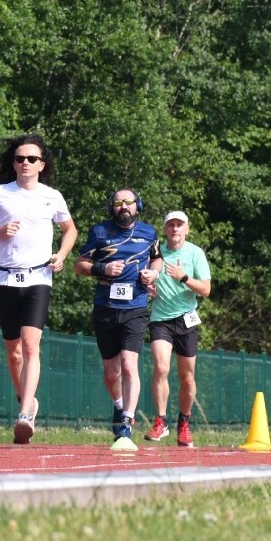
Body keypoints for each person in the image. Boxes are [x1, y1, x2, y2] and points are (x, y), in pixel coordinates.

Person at [0, 134, 78, 445]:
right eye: (20, 159)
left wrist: (62, 255)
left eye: (32, 159)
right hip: (6, 278)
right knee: (13, 351)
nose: (25, 163)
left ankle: (24, 415)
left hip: (38, 277)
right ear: (14, 164)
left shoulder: (52, 197)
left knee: (31, 346)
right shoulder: (0, 194)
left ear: (42, 164)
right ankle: (27, 400)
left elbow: (70, 229)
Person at [74, 188, 162, 442]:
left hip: (136, 306)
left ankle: (127, 420)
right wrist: (103, 268)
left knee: (129, 363)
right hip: (106, 306)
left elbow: (157, 259)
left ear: (138, 205)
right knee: (112, 372)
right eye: (118, 202)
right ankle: (119, 404)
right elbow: (79, 266)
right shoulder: (99, 232)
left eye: (129, 202)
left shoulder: (149, 233)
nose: (124, 206)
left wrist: (153, 274)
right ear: (111, 207)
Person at [142, 211, 212, 447]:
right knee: (161, 367)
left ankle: (184, 423)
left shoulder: (195, 253)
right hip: (160, 319)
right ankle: (161, 421)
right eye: (170, 225)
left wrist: (183, 277)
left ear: (187, 229)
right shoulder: (156, 251)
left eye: (179, 225)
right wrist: (148, 286)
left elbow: (206, 289)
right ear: (165, 229)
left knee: (187, 377)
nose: (175, 229)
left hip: (186, 319)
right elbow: (145, 277)